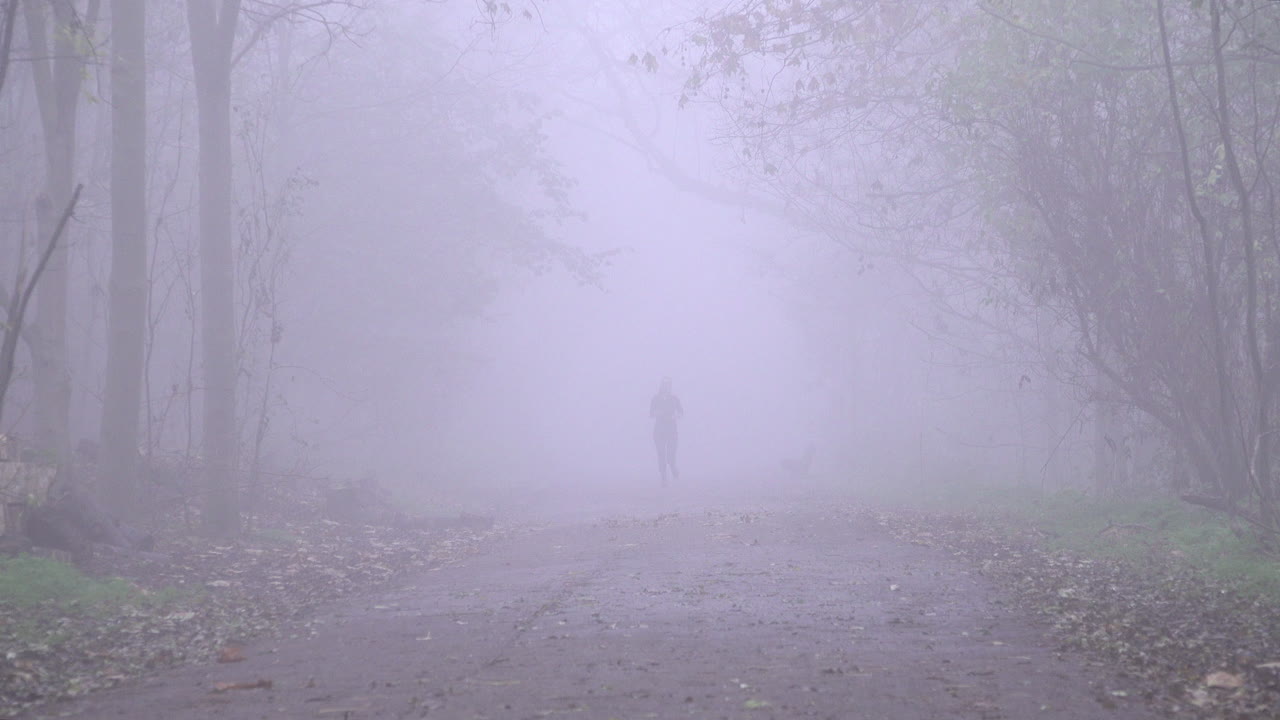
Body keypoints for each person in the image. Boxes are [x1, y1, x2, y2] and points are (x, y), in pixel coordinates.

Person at [650, 377, 683, 485]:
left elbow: (681, 412)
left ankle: (673, 468)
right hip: (659, 431)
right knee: (661, 454)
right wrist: (657, 413)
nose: (666, 388)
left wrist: (675, 416)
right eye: (665, 385)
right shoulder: (655, 399)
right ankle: (663, 477)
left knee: (670, 455)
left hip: (672, 431)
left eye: (668, 386)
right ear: (661, 386)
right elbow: (651, 413)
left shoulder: (674, 399)